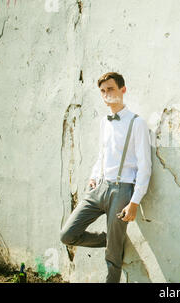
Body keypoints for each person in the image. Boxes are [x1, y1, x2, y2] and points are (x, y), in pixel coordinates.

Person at [60, 72, 152, 283]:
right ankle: (110, 240)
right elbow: (102, 154)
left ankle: (114, 246)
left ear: (123, 90)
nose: (106, 94)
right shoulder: (104, 121)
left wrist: (135, 202)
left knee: (112, 257)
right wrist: (94, 176)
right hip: (99, 188)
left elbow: (145, 167)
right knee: (67, 235)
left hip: (122, 191)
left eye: (110, 89)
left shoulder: (136, 123)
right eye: (102, 91)